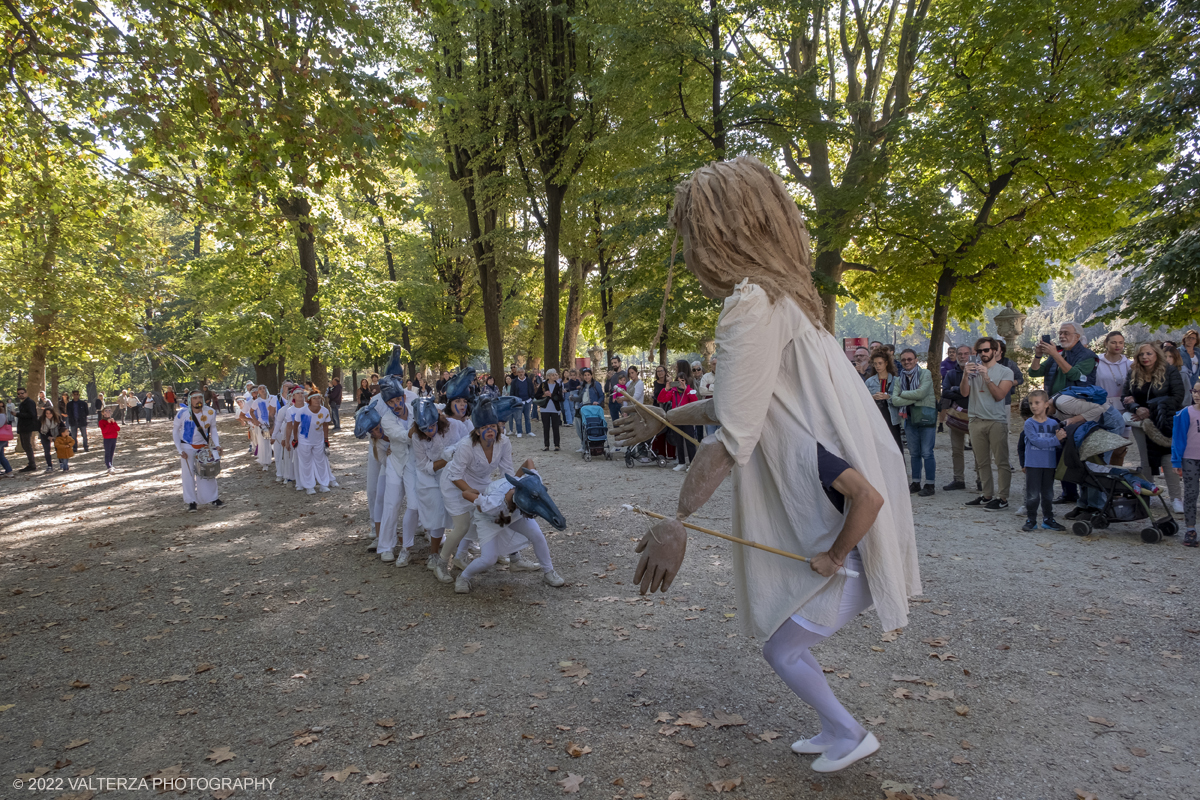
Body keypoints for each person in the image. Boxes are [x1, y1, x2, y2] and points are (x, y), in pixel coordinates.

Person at [612, 157, 918, 773]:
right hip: (833, 519)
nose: (690, 253)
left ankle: (847, 731)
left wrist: (679, 521)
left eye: (692, 235)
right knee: (785, 643)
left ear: (719, 232)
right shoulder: (788, 303)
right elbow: (742, 403)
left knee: (783, 650)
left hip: (835, 528)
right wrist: (663, 419)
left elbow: (735, 434)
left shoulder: (752, 304)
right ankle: (838, 732)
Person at [455, 470, 567, 593]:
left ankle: (549, 571)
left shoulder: (527, 485)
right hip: (490, 520)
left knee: (537, 536)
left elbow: (529, 462)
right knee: (488, 559)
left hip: (515, 513)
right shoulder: (493, 503)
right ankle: (463, 577)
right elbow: (466, 494)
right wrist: (476, 494)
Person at [1123, 342, 1186, 513]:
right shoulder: (1133, 373)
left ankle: (1176, 498)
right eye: (1141, 354)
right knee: (1145, 459)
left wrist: (1149, 408)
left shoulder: (1170, 371)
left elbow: (1178, 396)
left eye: (1149, 354)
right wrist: (1136, 408)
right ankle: (1147, 495)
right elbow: (1125, 397)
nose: (1145, 357)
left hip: (1165, 420)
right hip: (1140, 421)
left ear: (1156, 354)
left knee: (1168, 457)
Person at [961, 336, 1015, 510]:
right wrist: (964, 375)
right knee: (981, 462)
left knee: (1001, 461)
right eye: (979, 351)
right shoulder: (973, 370)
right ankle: (986, 495)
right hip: (976, 420)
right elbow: (964, 393)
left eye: (986, 350)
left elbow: (1000, 395)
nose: (982, 354)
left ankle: (1003, 498)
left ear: (994, 351)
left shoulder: (1005, 371)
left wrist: (987, 378)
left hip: (996, 421)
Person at [408, 398, 453, 568]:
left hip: (454, 472)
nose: (429, 432)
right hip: (430, 476)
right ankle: (434, 554)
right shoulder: (417, 438)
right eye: (424, 429)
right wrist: (445, 461)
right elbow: (424, 465)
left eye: (432, 427)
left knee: (462, 509)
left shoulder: (451, 427)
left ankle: (463, 548)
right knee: (437, 512)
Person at [890, 349, 937, 496]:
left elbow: (922, 393)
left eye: (910, 359)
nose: (907, 362)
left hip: (926, 418)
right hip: (909, 419)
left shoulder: (925, 374)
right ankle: (915, 482)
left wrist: (902, 394)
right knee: (914, 453)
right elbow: (894, 400)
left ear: (916, 360)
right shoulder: (899, 379)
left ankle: (930, 484)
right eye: (903, 360)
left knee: (927, 453)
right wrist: (914, 397)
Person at [1021, 390, 1066, 531]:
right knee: (1033, 494)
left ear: (1046, 404)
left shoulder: (1054, 424)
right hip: (1033, 463)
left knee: (1048, 494)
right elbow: (1036, 441)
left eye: (1037, 402)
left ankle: (1048, 519)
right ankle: (1031, 520)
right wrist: (1055, 439)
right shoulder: (1029, 423)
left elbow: (1059, 444)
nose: (1033, 406)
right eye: (1030, 403)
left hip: (1049, 464)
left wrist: (1059, 439)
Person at [172, 390, 224, 511]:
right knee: (188, 475)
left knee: (207, 473)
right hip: (187, 447)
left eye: (200, 397)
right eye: (195, 398)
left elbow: (213, 430)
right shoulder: (182, 414)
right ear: (190, 400)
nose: (198, 400)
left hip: (203, 447)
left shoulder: (210, 412)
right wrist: (180, 450)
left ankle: (213, 498)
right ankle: (191, 502)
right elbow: (175, 431)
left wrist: (217, 445)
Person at [289, 392, 337, 495]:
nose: (317, 400)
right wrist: (295, 439)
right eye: (314, 398)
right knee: (306, 463)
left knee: (321, 462)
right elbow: (296, 425)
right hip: (304, 440)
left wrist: (326, 439)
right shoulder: (302, 411)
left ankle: (324, 484)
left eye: (318, 398)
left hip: (318, 440)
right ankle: (309, 486)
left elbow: (325, 425)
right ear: (309, 400)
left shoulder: (324, 411)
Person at [1095, 331, 1132, 464]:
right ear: (1106, 343)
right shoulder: (1097, 361)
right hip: (1102, 407)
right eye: (1113, 342)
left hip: (1124, 408)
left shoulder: (1129, 364)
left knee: (1120, 447)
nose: (1117, 345)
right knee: (1104, 444)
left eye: (1120, 342)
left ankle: (1116, 474)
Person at [1170, 382, 1200, 547]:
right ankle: (1190, 529)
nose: (1196, 395)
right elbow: (1178, 439)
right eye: (1194, 391)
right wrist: (1176, 460)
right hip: (1190, 459)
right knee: (1191, 493)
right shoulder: (1184, 414)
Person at [657, 359, 700, 472]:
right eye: (678, 381)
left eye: (682, 380)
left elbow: (694, 401)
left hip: (687, 419)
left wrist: (686, 389)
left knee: (690, 442)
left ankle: (692, 463)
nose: (680, 382)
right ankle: (681, 462)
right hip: (676, 420)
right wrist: (666, 388)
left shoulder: (689, 390)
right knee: (679, 442)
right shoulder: (673, 391)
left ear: (686, 381)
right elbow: (660, 399)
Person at [865, 352, 901, 451]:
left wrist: (888, 397)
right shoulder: (869, 381)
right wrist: (871, 397)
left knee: (896, 445)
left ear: (886, 363)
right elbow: (863, 400)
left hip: (891, 417)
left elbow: (901, 400)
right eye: (875, 364)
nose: (877, 366)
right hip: (876, 416)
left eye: (880, 363)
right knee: (879, 446)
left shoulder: (896, 381)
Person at [536, 368, 564, 451]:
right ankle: (546, 445)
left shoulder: (558, 385)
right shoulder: (543, 385)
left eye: (555, 375)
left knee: (556, 427)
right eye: (553, 375)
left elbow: (560, 398)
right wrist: (544, 395)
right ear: (548, 376)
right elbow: (537, 395)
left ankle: (557, 445)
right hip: (545, 409)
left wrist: (551, 395)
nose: (555, 376)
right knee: (546, 427)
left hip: (555, 409)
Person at [15, 388, 39, 472]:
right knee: (25, 446)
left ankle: (32, 465)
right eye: (19, 394)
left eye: (22, 393)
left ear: (26, 393)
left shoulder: (29, 402)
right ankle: (31, 463)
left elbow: (31, 414)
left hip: (27, 427)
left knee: (27, 446)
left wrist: (17, 414)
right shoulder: (23, 403)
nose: (20, 395)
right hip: (23, 427)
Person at [509, 366, 533, 437]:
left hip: (527, 401)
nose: (521, 374)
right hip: (518, 402)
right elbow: (512, 392)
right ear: (517, 373)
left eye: (522, 372)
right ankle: (519, 431)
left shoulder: (528, 380)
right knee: (518, 418)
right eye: (519, 372)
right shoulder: (514, 382)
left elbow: (532, 390)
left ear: (524, 372)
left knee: (527, 417)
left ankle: (529, 431)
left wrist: (531, 398)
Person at [98, 405, 121, 473]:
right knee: (107, 452)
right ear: (102, 413)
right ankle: (108, 466)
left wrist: (113, 423)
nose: (108, 412)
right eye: (106, 411)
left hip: (114, 438)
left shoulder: (112, 420)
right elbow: (104, 431)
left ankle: (111, 464)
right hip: (107, 438)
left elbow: (118, 429)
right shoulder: (101, 422)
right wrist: (108, 423)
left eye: (109, 411)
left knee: (112, 452)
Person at [37, 407, 59, 472]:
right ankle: (49, 466)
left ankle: (62, 462)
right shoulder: (41, 419)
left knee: (58, 449)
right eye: (47, 413)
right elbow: (39, 430)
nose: (48, 415)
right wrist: (48, 437)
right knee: (47, 451)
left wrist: (55, 437)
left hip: (56, 435)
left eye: (50, 413)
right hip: (44, 435)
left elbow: (61, 427)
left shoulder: (57, 418)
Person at [0, 405, 11, 476]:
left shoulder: (1, 415)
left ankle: (9, 471)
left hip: (1, 438)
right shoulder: (3, 415)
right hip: (2, 438)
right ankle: (9, 471)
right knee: (1, 456)